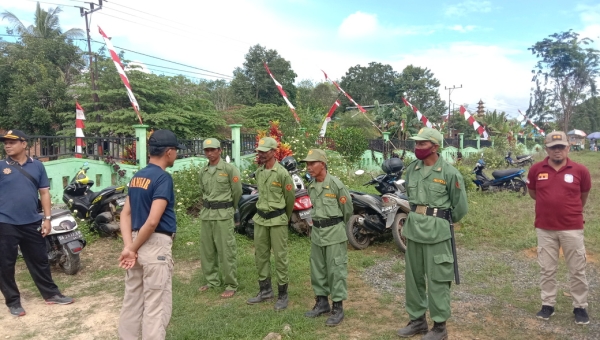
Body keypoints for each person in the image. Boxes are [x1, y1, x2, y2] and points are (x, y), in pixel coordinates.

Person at [397, 127, 468, 340]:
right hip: (414, 230)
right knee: (414, 278)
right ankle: (417, 320)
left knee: (438, 278)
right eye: (416, 144)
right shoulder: (412, 170)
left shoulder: (449, 173)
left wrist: (439, 221)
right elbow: (411, 198)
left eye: (422, 144)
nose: (417, 147)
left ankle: (439, 327)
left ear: (435, 147)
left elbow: (460, 208)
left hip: (438, 233)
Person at [117, 129, 184, 340]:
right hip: (155, 247)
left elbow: (125, 214)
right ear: (169, 152)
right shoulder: (163, 178)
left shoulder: (138, 176)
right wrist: (132, 248)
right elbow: (153, 220)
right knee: (156, 306)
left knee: (132, 301)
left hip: (136, 243)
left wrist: (129, 247)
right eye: (176, 151)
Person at [0, 130, 74, 317]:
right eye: (5, 142)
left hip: (32, 221)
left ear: (24, 144)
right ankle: (13, 302)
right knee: (5, 264)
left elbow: (44, 193)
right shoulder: (1, 166)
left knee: (40, 260)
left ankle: (51, 294)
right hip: (5, 223)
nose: (7, 145)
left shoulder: (38, 166)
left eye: (12, 142)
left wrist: (47, 219)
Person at [527, 131, 591, 325]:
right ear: (546, 149)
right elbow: (533, 193)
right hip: (545, 228)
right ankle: (548, 304)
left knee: (577, 269)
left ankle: (580, 306)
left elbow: (583, 196)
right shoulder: (536, 169)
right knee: (547, 269)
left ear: (568, 148)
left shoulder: (580, 171)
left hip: (572, 227)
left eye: (561, 147)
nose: (557, 151)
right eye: (553, 147)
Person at [301, 149, 353, 326]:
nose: (309, 167)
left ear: (322, 164)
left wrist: (334, 224)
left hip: (334, 234)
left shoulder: (336, 185)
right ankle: (321, 303)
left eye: (312, 163)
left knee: (335, 270)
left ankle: (337, 308)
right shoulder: (312, 186)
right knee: (318, 269)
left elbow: (347, 211)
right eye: (307, 164)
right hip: (317, 233)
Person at [246, 137, 295, 311]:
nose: (261, 154)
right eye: (259, 151)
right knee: (261, 255)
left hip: (277, 220)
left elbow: (290, 199)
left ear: (274, 152)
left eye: (265, 151)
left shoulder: (282, 174)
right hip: (261, 220)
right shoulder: (259, 172)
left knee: (280, 257)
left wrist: (284, 217)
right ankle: (265, 290)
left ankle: (283, 295)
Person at [197, 138, 242, 298]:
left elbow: (237, 192)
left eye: (213, 150)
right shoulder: (203, 171)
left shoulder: (229, 169)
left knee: (226, 250)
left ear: (220, 150)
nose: (209, 153)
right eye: (207, 150)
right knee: (207, 250)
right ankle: (212, 281)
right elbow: (203, 191)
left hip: (223, 215)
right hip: (207, 215)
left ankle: (231, 283)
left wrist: (230, 207)